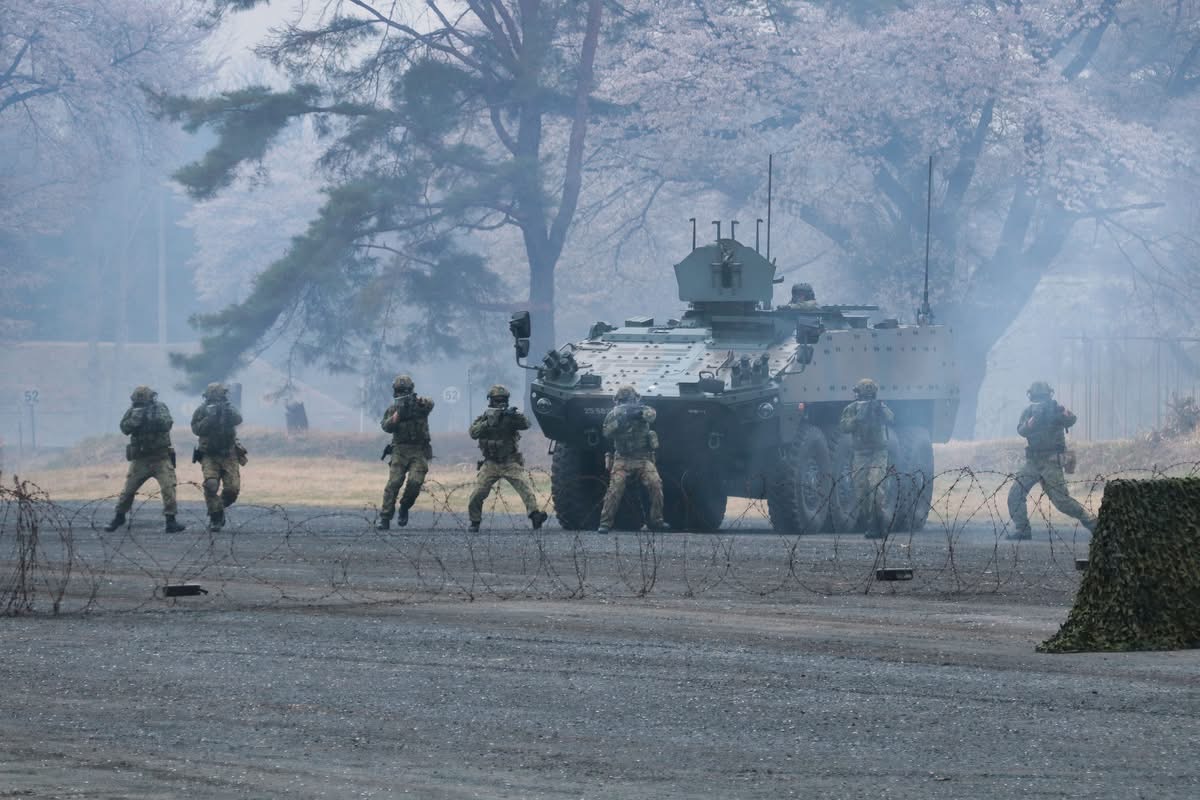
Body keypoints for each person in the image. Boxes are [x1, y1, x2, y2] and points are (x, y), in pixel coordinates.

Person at [1006, 381, 1096, 540]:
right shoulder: (1029, 412)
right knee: (1015, 494)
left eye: (1042, 398)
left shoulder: (1055, 409)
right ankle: (1022, 529)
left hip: (1051, 462)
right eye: (1038, 398)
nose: (1040, 402)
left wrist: (1065, 414)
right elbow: (1021, 430)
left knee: (1062, 501)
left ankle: (1093, 523)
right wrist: (1029, 424)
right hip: (1033, 462)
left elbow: (1071, 420)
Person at [103, 386, 185, 533]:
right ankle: (119, 516)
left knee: (168, 489)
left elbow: (167, 424)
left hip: (160, 458)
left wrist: (152, 418)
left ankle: (171, 520)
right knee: (128, 491)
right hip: (141, 459)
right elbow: (124, 428)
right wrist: (136, 419)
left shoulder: (159, 408)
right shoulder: (132, 411)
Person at [466, 384, 548, 532]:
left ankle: (535, 516)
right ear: (491, 401)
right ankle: (475, 521)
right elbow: (473, 433)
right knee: (477, 493)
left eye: (503, 400)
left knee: (525, 488)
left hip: (510, 462)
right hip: (490, 463)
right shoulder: (484, 417)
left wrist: (514, 416)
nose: (501, 403)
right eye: (497, 400)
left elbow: (526, 424)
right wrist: (488, 422)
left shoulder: (510, 417)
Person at [598, 384, 668, 533]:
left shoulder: (644, 409)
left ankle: (657, 520)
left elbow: (652, 415)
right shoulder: (614, 414)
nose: (627, 403)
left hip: (643, 459)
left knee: (655, 484)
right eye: (625, 401)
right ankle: (605, 523)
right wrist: (620, 421)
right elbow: (606, 432)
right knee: (615, 489)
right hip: (622, 459)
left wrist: (639, 413)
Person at [839, 378, 895, 538]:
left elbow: (891, 418)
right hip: (860, 453)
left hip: (878, 452)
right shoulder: (852, 408)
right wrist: (857, 418)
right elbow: (844, 427)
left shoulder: (880, 406)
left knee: (876, 486)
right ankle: (871, 522)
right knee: (861, 489)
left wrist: (879, 409)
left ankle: (880, 522)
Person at [377, 374, 434, 530]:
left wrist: (420, 402)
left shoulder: (420, 406)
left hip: (418, 450)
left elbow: (430, 403)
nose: (402, 393)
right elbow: (386, 427)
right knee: (394, 483)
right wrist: (397, 416)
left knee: (415, 482)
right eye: (400, 390)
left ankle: (404, 506)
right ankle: (385, 517)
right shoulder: (393, 409)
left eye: (405, 390)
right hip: (400, 451)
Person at [190, 382, 245, 532]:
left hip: (228, 454)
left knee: (232, 490)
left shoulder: (229, 408)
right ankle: (215, 518)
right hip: (209, 455)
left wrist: (226, 411)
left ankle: (217, 508)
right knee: (211, 484)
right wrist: (210, 418)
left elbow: (238, 419)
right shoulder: (201, 410)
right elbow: (196, 429)